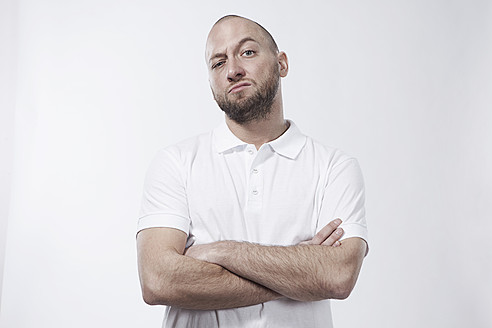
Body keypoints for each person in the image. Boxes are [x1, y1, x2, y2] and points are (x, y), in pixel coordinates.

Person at [136, 14, 368, 328]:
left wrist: (219, 251)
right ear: (210, 82)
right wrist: (299, 271)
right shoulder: (175, 162)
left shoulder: (334, 168)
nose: (233, 70)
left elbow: (338, 276)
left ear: (282, 64)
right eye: (218, 62)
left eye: (247, 52)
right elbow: (158, 280)